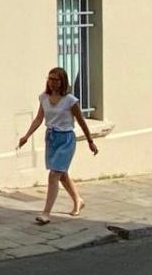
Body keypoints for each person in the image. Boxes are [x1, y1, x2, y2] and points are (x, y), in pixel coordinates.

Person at [16, 66, 97, 224]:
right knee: (62, 174)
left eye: (56, 80)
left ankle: (46, 213)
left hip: (66, 139)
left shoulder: (70, 101)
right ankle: (78, 200)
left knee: (54, 175)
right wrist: (26, 136)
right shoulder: (44, 98)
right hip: (51, 139)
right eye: (50, 79)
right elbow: (39, 119)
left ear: (62, 82)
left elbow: (81, 122)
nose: (52, 82)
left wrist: (90, 141)